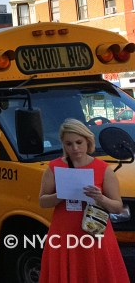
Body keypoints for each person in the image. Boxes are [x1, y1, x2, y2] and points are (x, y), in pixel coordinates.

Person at [38, 118, 128, 282]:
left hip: (93, 232)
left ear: (88, 140)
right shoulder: (54, 167)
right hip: (64, 234)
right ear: (63, 145)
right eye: (68, 144)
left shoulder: (103, 169)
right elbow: (42, 201)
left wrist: (100, 197)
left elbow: (117, 207)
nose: (75, 148)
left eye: (79, 142)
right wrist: (60, 195)